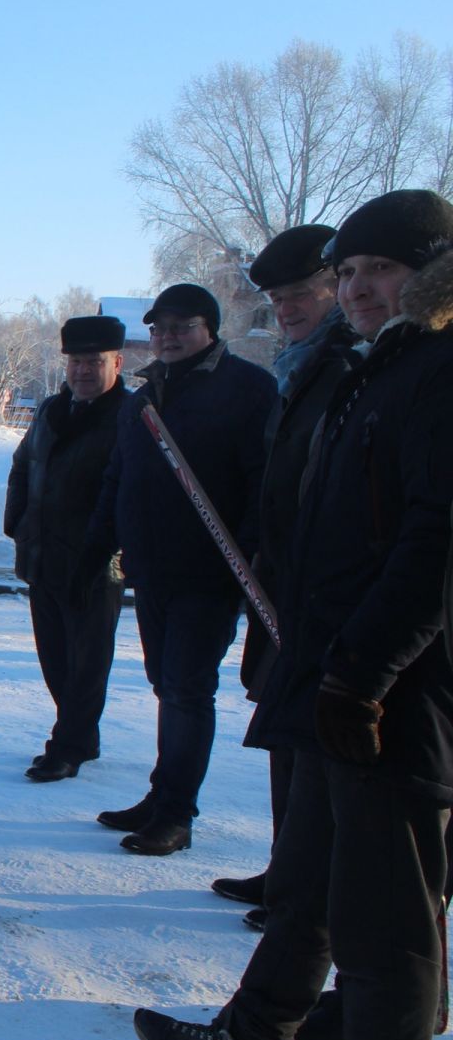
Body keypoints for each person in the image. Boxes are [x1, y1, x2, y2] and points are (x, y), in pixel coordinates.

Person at [131, 189, 453, 1040]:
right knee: (307, 873)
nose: (356, 286)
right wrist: (299, 648)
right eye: (346, 270)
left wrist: (362, 670)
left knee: (388, 911)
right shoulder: (379, 368)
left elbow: (435, 544)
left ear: (430, 275)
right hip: (333, 661)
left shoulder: (441, 372)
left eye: (379, 270)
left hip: (401, 684)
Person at [79, 283, 276, 855]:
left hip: (210, 571)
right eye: (160, 329)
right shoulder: (144, 399)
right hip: (153, 569)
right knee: (166, 685)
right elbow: (120, 476)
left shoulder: (247, 389)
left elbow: (264, 478)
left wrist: (253, 551)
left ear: (209, 330)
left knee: (188, 689)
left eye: (181, 327)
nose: (167, 338)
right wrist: (98, 544)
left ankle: (176, 814)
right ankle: (161, 794)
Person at [213, 224, 358, 928]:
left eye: (302, 291)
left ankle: (307, 894)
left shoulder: (346, 364)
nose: (288, 306)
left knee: (313, 738)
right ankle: (287, 871)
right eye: (277, 296)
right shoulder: (298, 365)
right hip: (287, 580)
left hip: (327, 589)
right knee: (282, 726)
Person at [3, 316, 130, 782]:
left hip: (95, 563)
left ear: (116, 362)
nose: (83, 370)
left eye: (94, 362)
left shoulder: (129, 416)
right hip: (43, 557)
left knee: (86, 663)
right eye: (76, 361)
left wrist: (112, 549)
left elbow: (132, 491)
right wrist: (17, 523)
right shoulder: (52, 411)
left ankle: (68, 745)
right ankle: (82, 735)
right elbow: (22, 466)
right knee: (55, 659)